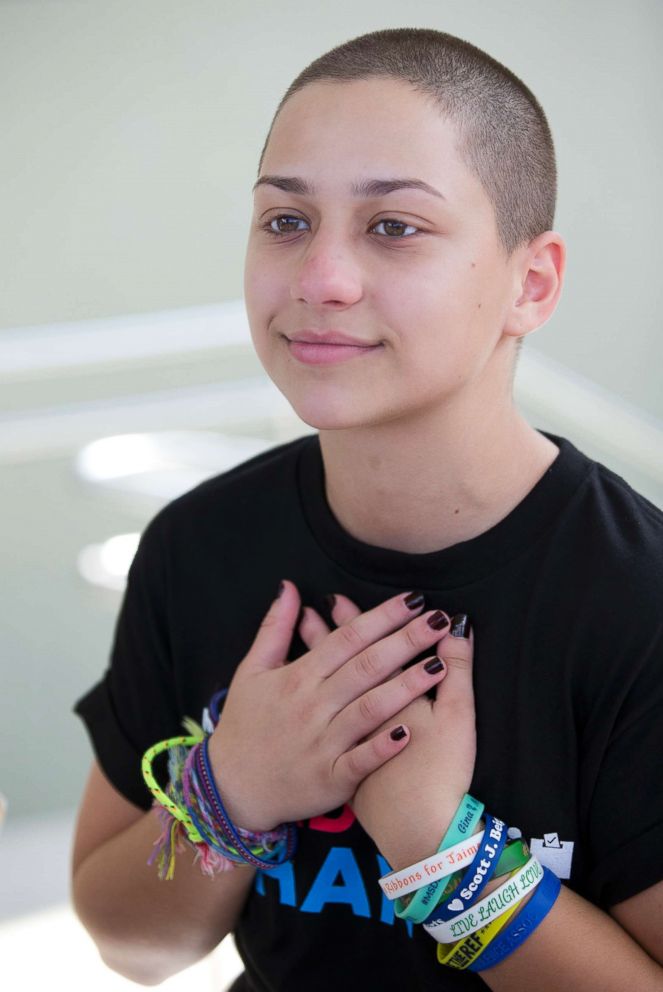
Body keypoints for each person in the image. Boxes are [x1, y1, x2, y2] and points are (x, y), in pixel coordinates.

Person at [71, 27, 663, 991]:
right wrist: (229, 793)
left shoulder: (635, 606)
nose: (320, 281)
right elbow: (134, 946)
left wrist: (445, 856)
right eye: (285, 221)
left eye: (393, 227)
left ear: (532, 281)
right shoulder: (199, 545)